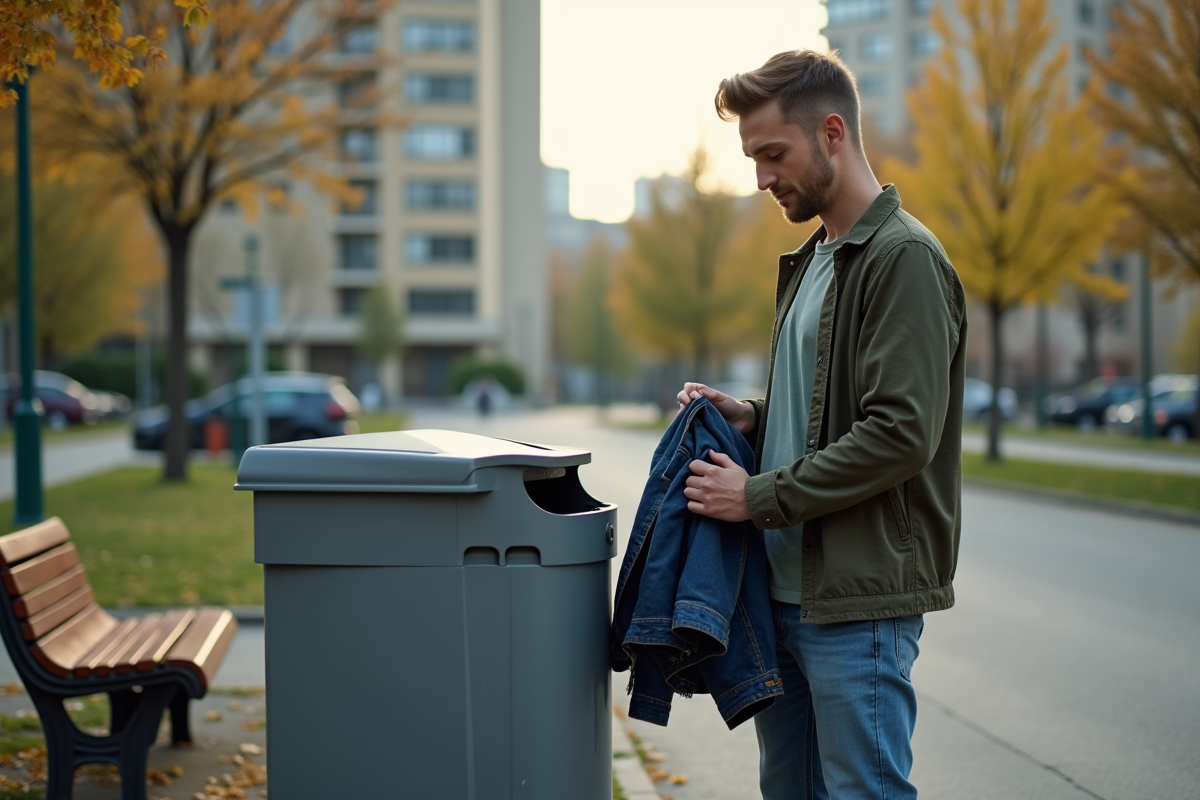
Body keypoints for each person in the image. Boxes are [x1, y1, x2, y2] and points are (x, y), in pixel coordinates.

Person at [678, 50, 967, 800]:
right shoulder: (817, 261)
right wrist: (754, 415)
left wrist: (757, 496)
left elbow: (901, 433)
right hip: (784, 596)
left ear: (832, 132)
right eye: (753, 159)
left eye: (773, 154)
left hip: (855, 604)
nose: (762, 179)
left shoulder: (901, 258)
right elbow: (826, 408)